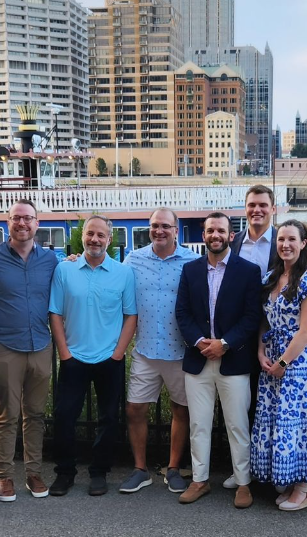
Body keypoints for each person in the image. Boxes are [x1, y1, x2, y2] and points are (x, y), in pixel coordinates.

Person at [175, 212, 262, 508]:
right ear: (204, 235)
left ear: (231, 235)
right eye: (210, 230)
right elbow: (182, 314)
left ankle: (243, 484)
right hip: (198, 359)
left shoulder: (248, 272)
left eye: (221, 230)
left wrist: (224, 344)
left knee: (237, 425)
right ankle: (199, 481)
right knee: (199, 424)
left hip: (233, 360)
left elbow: (252, 318)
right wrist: (201, 343)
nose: (215, 235)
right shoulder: (190, 270)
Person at [0, 199, 58, 502]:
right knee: (8, 414)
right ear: (8, 222)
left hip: (41, 345)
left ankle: (34, 473)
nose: (22, 224)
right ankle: (5, 476)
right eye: (16, 218)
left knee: (35, 414)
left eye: (28, 219)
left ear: (37, 224)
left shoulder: (50, 260)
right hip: (6, 345)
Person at [48, 215, 137, 496]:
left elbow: (131, 315)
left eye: (101, 235)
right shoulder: (65, 269)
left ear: (109, 240)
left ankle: (99, 471)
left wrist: (117, 354)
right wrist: (65, 354)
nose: (95, 239)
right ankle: (65, 472)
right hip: (73, 357)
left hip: (109, 358)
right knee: (64, 417)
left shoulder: (124, 273)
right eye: (90, 234)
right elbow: (55, 313)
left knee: (109, 419)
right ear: (82, 236)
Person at [119, 207, 199, 495]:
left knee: (182, 410)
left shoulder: (193, 261)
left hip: (181, 350)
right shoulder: (133, 260)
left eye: (165, 225)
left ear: (176, 229)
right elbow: (114, 282)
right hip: (145, 350)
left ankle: (174, 468)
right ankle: (140, 470)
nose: (159, 230)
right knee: (134, 409)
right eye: (155, 225)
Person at [251, 220, 307, 511]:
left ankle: (305, 488)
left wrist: (284, 361)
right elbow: (265, 320)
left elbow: (306, 330)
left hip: (300, 365)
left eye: (292, 239)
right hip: (272, 360)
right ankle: (291, 482)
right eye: (281, 239)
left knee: (300, 425)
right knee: (279, 423)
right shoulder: (271, 277)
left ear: (304, 243)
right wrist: (261, 350)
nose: (285, 244)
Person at [225, 183, 278, 490]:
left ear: (272, 209)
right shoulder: (235, 243)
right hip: (240, 335)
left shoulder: (283, 242)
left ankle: (269, 470)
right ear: (245, 210)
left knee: (270, 405)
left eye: (262, 205)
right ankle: (241, 469)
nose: (257, 210)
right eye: (252, 205)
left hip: (274, 335)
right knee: (238, 406)